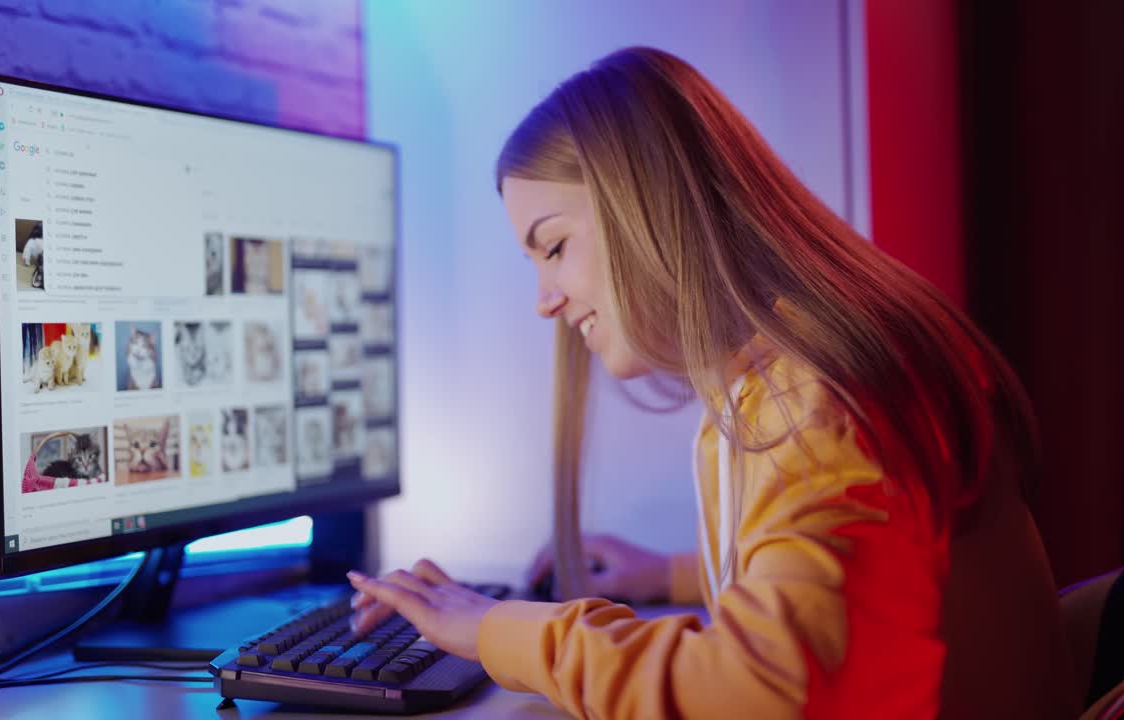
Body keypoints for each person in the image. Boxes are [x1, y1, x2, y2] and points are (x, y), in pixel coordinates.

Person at [347, 46, 1078, 719]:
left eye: (555, 246)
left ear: (648, 203)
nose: (544, 297)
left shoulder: (817, 406)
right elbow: (869, 584)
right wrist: (672, 575)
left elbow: (767, 693)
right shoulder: (789, 379)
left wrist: (494, 630)